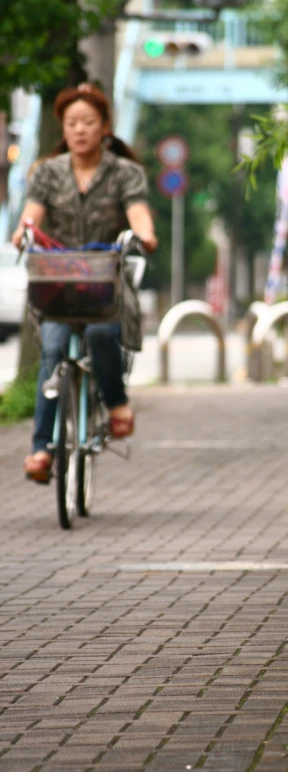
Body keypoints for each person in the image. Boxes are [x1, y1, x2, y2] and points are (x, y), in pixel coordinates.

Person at [12, 83, 158, 483]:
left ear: (105, 127)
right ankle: (41, 449)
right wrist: (25, 231)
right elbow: (32, 215)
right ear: (63, 127)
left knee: (99, 333)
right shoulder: (47, 172)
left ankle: (116, 403)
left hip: (104, 286)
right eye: (72, 123)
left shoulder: (125, 172)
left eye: (88, 122)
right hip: (57, 287)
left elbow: (138, 213)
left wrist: (143, 235)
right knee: (54, 349)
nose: (79, 130)